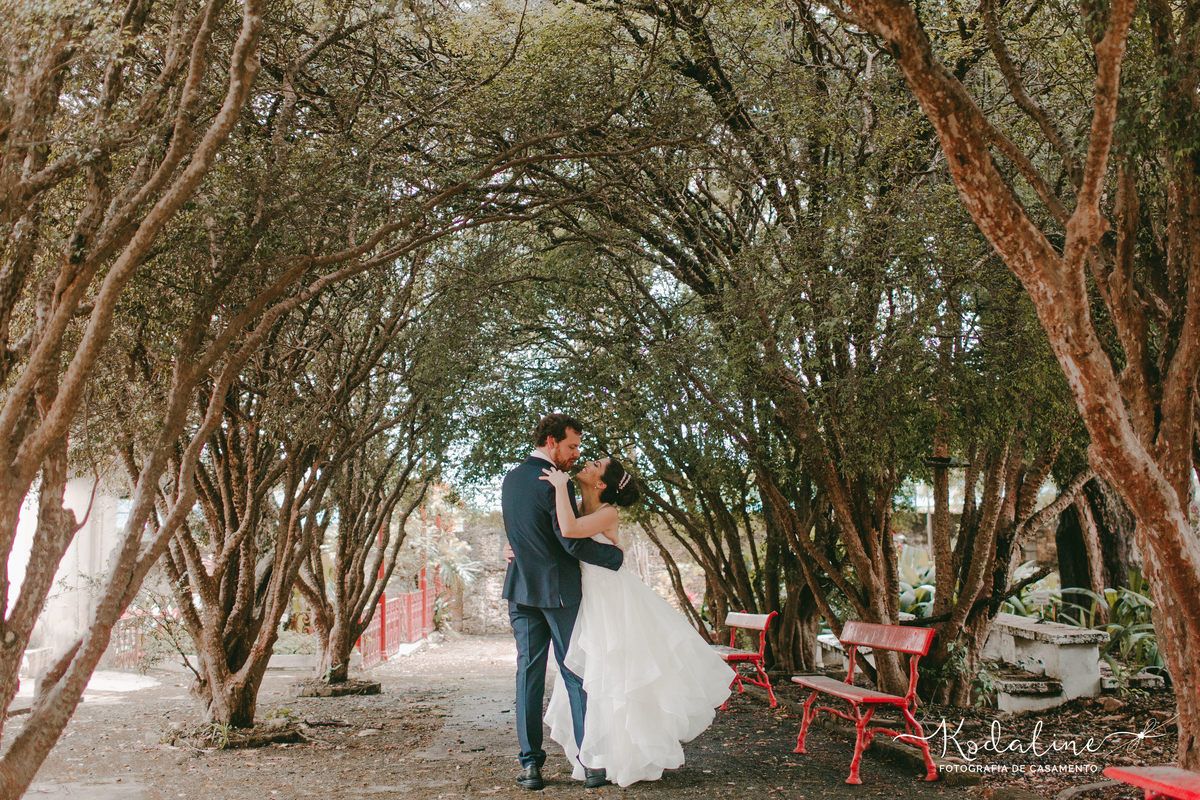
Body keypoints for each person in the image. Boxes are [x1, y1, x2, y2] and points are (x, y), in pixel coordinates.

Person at [539, 456, 735, 787]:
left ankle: (628, 757)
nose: (587, 463)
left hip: (613, 600)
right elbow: (555, 534)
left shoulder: (607, 513)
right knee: (595, 680)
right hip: (590, 599)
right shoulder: (577, 507)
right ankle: (600, 756)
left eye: (595, 465)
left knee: (620, 678)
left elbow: (569, 531)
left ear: (601, 484)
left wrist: (560, 486)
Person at [501, 414, 625, 791]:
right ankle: (590, 764)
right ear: (551, 442)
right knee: (574, 671)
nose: (575, 454)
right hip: (557, 592)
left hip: (521, 590)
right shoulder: (556, 482)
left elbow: (520, 535)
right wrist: (614, 557)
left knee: (528, 674)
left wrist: (515, 551)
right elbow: (569, 541)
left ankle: (530, 766)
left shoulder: (511, 479)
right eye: (571, 446)